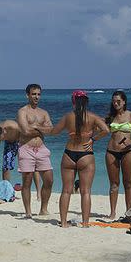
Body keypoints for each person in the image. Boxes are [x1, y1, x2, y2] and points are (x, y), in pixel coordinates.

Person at [47, 90, 109, 227]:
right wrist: (93, 139)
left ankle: (63, 223)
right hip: (85, 155)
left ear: (73, 101)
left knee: (66, 190)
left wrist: (41, 128)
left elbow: (54, 132)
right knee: (86, 191)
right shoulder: (92, 117)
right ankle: (85, 223)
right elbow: (106, 130)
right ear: (86, 102)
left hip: (69, 154)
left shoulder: (68, 117)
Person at [16, 84, 54, 217]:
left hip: (41, 149)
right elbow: (25, 131)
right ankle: (28, 212)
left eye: (38, 94)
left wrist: (36, 127)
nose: (36, 97)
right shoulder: (22, 111)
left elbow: (51, 130)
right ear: (27, 95)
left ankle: (43, 209)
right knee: (27, 181)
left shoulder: (44, 113)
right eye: (33, 94)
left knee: (49, 179)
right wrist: (41, 128)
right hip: (26, 148)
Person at [104, 90, 131, 219]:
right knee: (114, 183)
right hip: (111, 152)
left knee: (128, 182)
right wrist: (91, 139)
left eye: (118, 101)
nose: (116, 103)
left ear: (124, 101)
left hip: (127, 152)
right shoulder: (110, 117)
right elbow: (101, 129)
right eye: (114, 101)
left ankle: (128, 211)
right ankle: (112, 212)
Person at [0, 120, 42, 197]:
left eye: (0, 138)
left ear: (4, 131)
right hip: (10, 143)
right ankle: (7, 190)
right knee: (6, 166)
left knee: (32, 166)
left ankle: (39, 192)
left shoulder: (13, 126)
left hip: (22, 141)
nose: (0, 141)